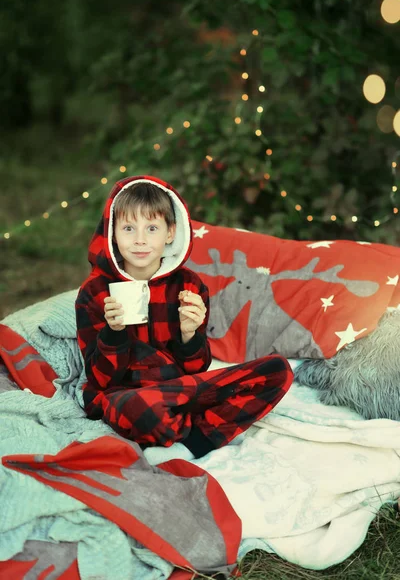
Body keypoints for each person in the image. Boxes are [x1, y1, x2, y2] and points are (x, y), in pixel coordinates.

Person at [76, 175, 293, 458]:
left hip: (179, 390)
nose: (140, 240)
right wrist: (113, 332)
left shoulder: (189, 286)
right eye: (128, 228)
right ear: (112, 233)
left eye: (152, 228)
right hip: (126, 395)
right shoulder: (94, 292)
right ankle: (194, 436)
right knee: (141, 407)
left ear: (170, 233)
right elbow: (100, 380)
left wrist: (190, 335)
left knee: (277, 370)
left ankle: (182, 441)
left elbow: (196, 368)